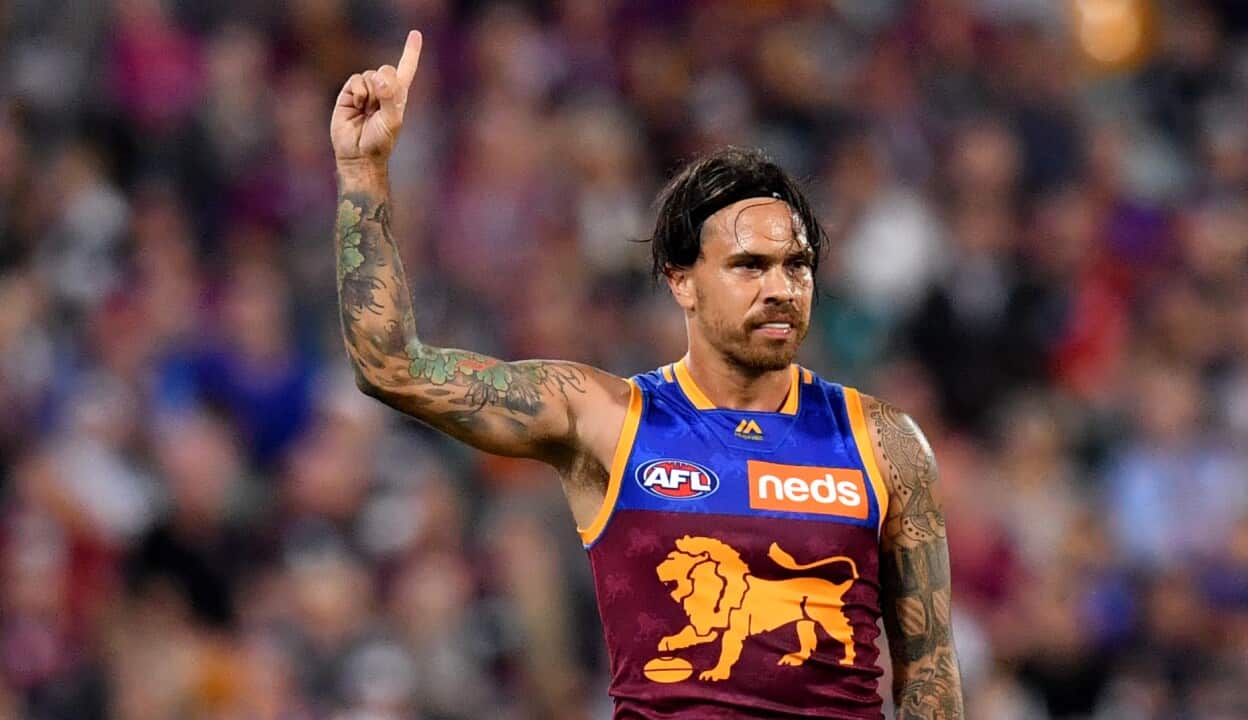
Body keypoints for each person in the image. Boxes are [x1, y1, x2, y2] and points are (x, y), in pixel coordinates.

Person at [331, 31, 963, 719]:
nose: (781, 287)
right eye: (749, 266)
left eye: (797, 266)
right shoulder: (608, 419)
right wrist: (364, 174)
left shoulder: (885, 442)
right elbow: (391, 365)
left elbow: (929, 674)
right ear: (682, 282)